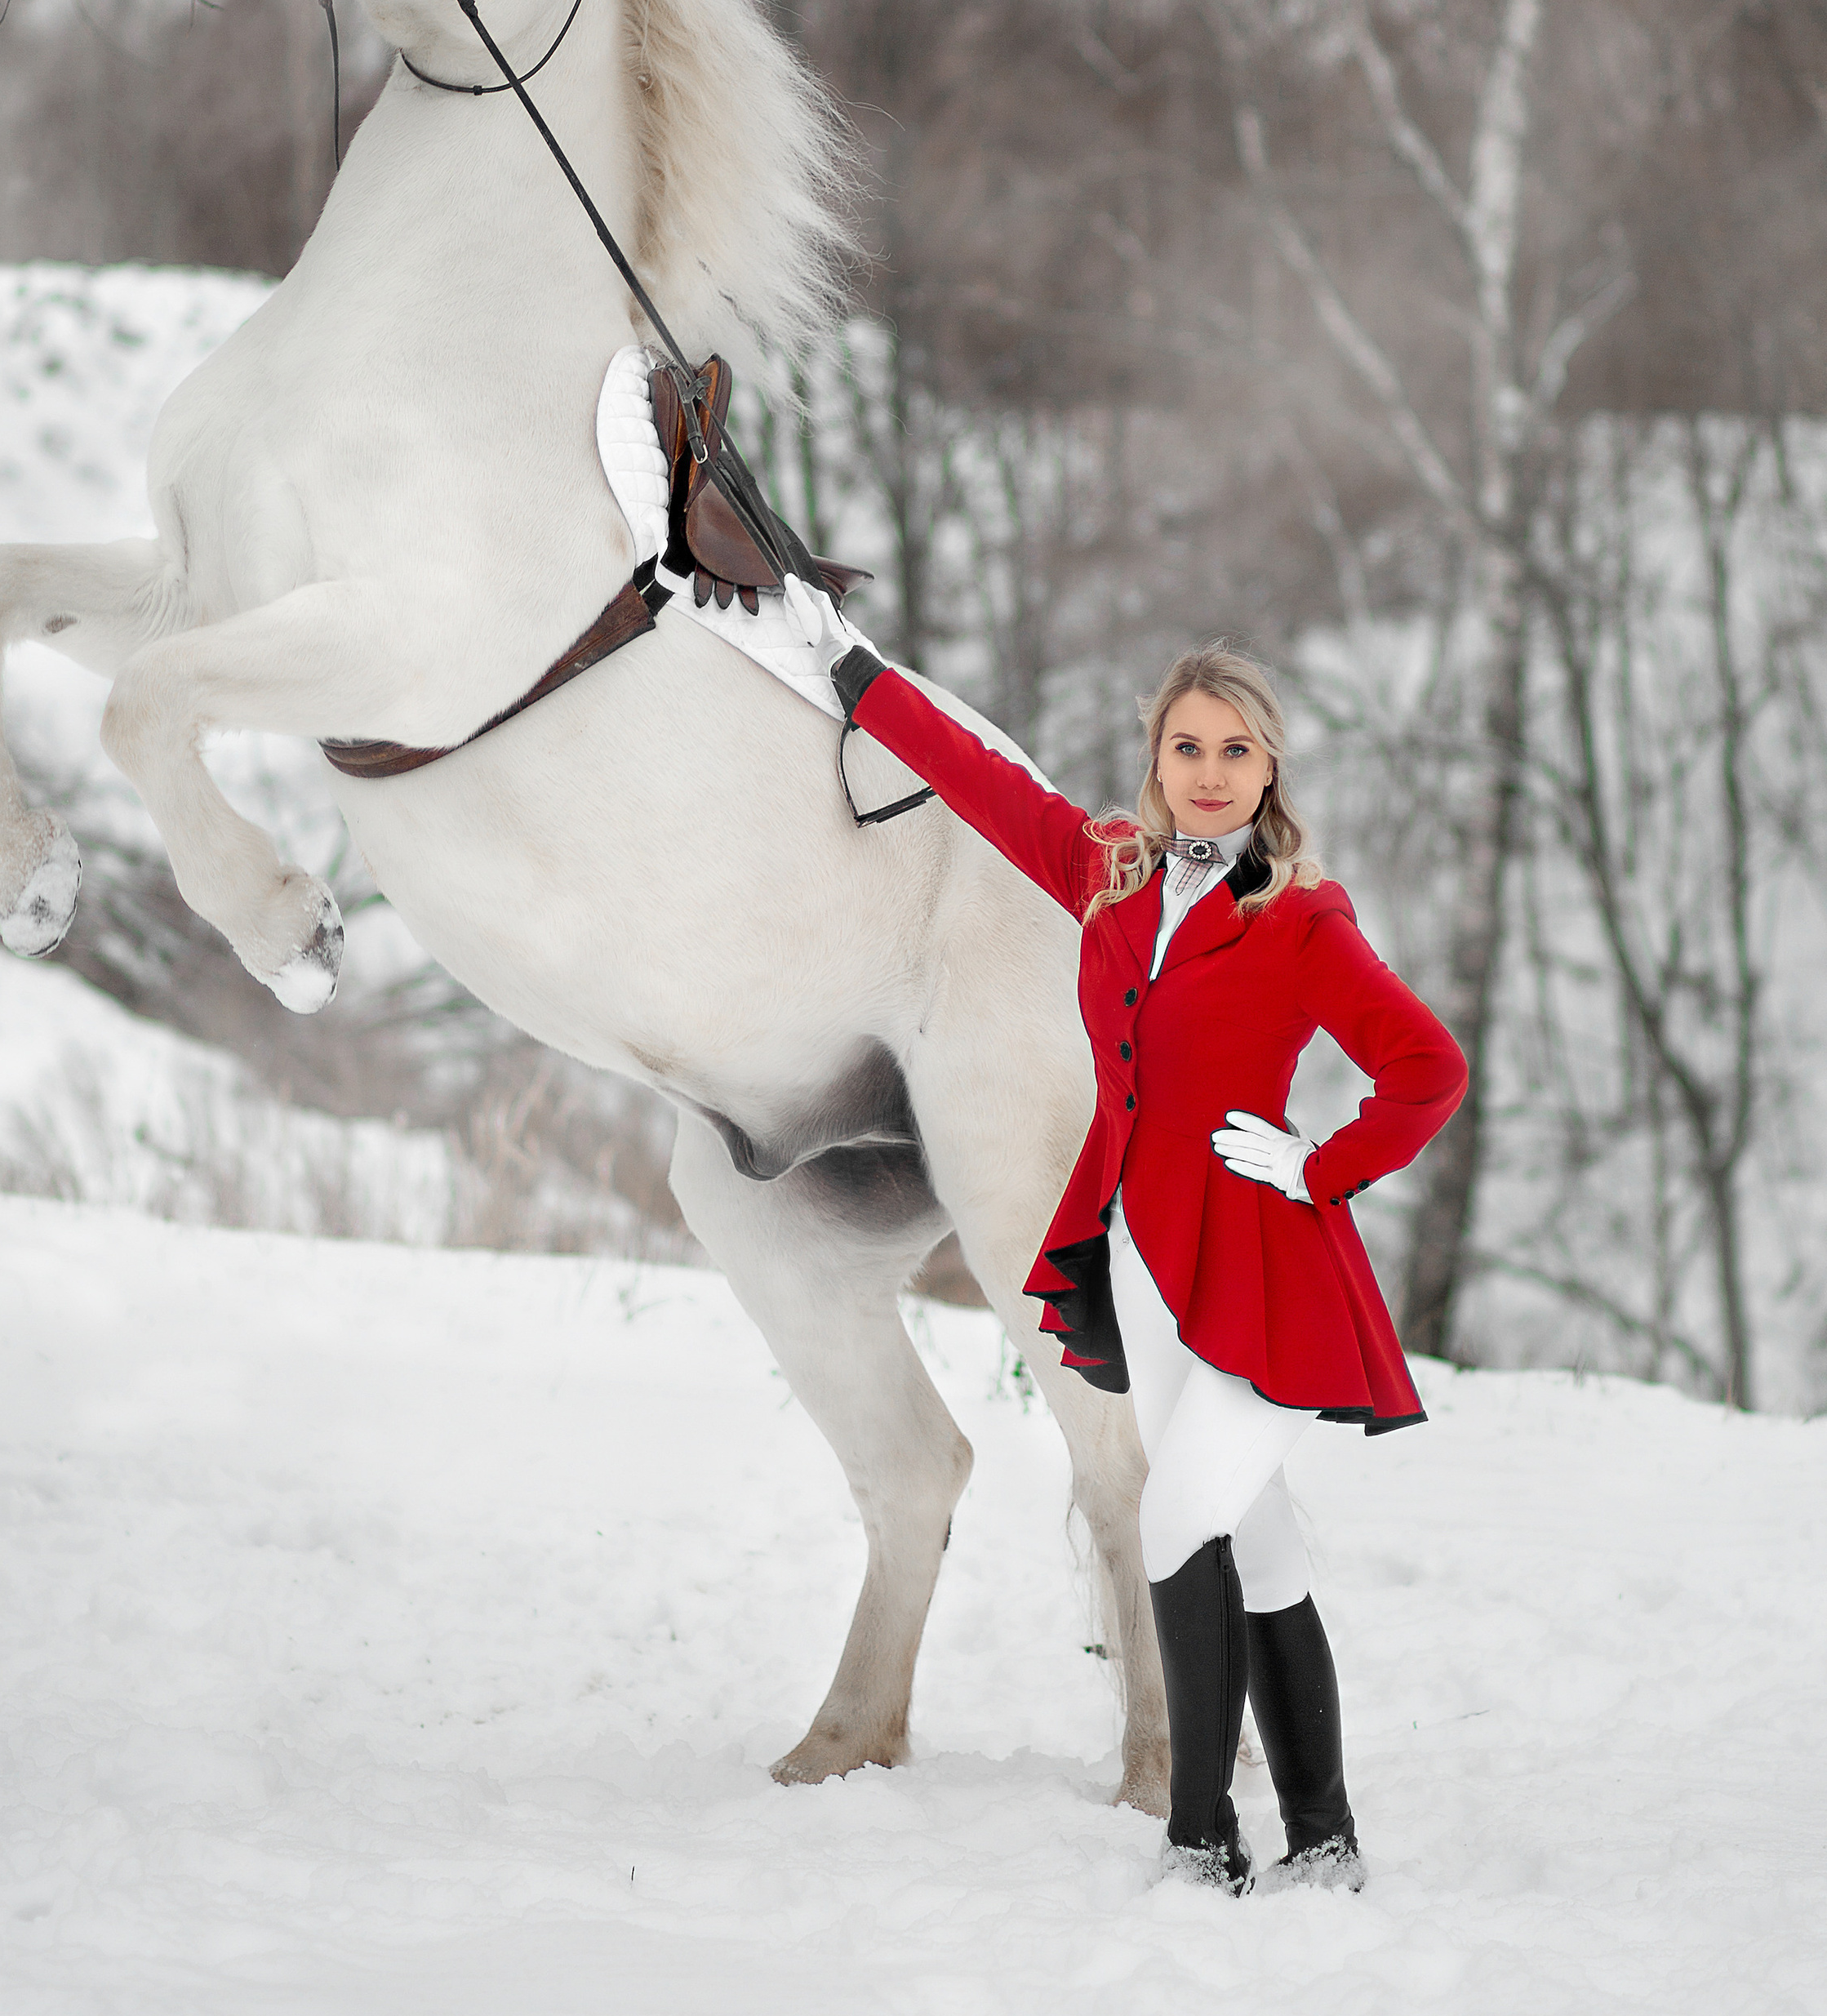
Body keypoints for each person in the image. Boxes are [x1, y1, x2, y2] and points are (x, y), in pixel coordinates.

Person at [595, 349, 1468, 1894]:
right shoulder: (1108, 876)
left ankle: (1197, 1823)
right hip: (1139, 1260)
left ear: (1269, 773)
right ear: (1157, 765)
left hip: (1255, 1258)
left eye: (1234, 751)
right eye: (1185, 748)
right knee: (1256, 1550)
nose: (1206, 773)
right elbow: (968, 778)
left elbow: (1429, 1072)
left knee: (1185, 1513)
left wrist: (1323, 1166)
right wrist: (832, 653)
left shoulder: (1303, 921)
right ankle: (1318, 1826)